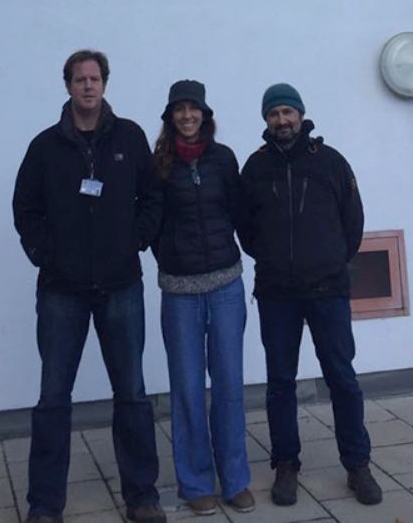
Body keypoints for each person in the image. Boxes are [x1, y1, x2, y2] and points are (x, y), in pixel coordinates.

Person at [13, 49, 165, 523]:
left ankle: (142, 497)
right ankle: (44, 505)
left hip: (121, 286)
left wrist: (136, 239)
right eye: (79, 79)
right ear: (67, 86)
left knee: (133, 395)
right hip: (62, 290)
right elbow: (25, 209)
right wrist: (45, 255)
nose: (87, 86)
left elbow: (154, 195)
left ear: (105, 84)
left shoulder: (130, 137)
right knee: (54, 399)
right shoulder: (45, 147)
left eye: (94, 78)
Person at [238, 83, 383, 508]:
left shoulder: (331, 162)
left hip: (328, 291)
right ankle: (286, 465)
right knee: (280, 383)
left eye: (287, 112)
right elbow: (245, 230)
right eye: (273, 114)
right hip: (276, 294)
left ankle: (357, 465)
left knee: (342, 378)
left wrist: (330, 260)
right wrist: (273, 259)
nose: (281, 120)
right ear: (265, 120)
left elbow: (352, 223)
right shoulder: (255, 168)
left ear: (301, 114)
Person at [152, 81, 254, 516]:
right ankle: (195, 484)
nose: (187, 116)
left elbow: (240, 212)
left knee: (229, 385)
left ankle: (235, 480)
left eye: (194, 108)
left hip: (227, 287)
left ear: (205, 114)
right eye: (180, 109)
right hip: (180, 294)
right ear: (171, 116)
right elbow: (151, 220)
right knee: (189, 390)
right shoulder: (158, 165)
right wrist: (170, 256)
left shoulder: (224, 159)